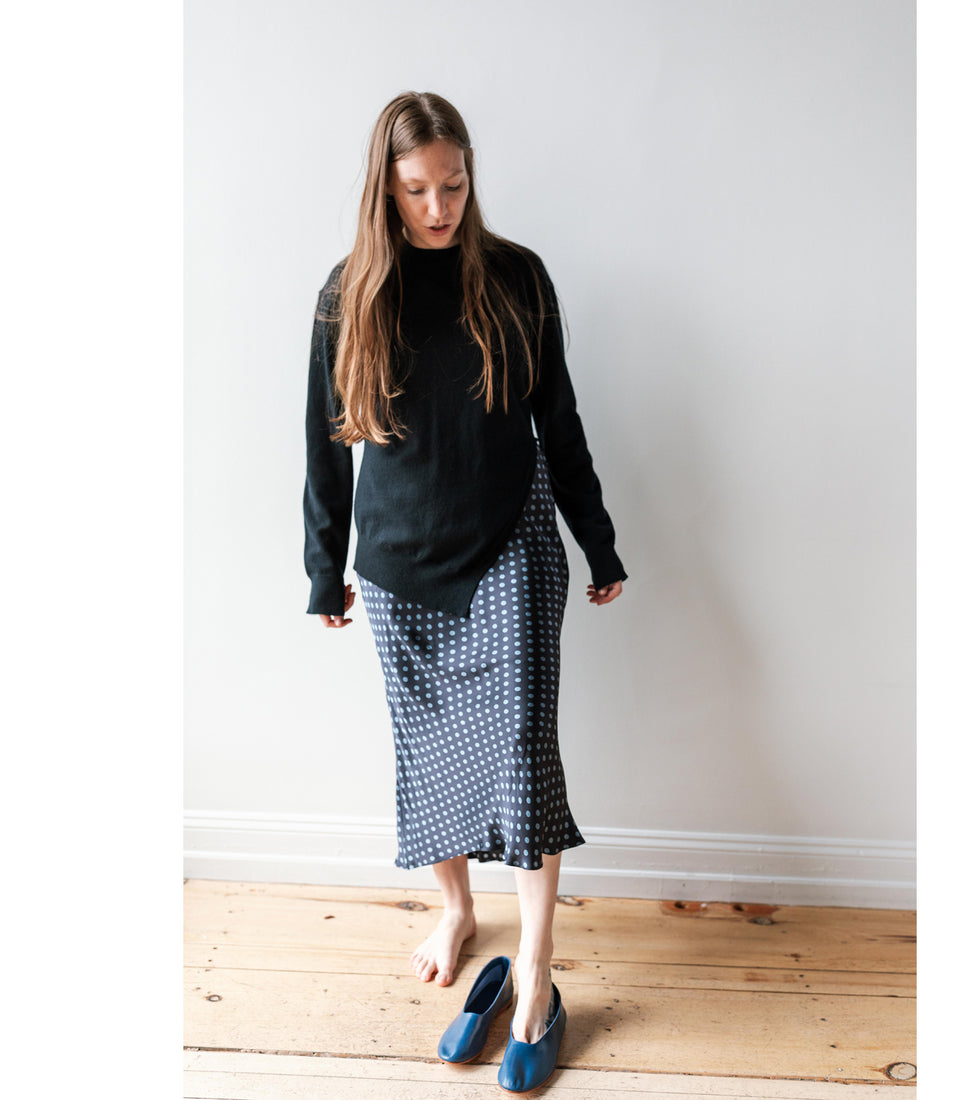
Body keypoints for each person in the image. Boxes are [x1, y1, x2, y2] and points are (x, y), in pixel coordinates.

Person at [303, 91, 626, 1086]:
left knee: (524, 753)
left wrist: (598, 543)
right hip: (400, 561)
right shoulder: (350, 292)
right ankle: (455, 909)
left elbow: (557, 417)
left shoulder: (516, 277)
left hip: (510, 540)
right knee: (431, 752)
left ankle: (534, 971)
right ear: (385, 189)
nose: (439, 207)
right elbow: (324, 442)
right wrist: (323, 567)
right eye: (416, 190)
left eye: (453, 184)